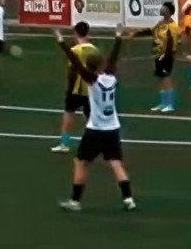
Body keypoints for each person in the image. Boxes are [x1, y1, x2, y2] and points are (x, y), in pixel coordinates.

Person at [54, 27, 136, 212]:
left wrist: (61, 42)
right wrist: (118, 37)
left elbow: (75, 62)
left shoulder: (92, 81)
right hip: (113, 128)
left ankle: (75, 201)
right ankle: (128, 198)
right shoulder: (111, 78)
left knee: (81, 162)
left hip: (95, 130)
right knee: (116, 163)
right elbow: (114, 58)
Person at [53, 22, 100, 151]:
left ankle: (64, 144)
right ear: (88, 33)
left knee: (68, 115)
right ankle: (94, 144)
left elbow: (72, 69)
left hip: (74, 89)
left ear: (75, 33)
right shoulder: (95, 51)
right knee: (91, 119)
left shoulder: (74, 50)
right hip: (90, 89)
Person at [150, 1, 181, 112]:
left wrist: (166, 56)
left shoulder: (173, 26)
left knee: (167, 78)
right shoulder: (160, 23)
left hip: (167, 56)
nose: (162, 9)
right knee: (161, 79)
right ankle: (163, 103)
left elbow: (172, 43)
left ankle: (170, 104)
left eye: (164, 8)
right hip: (159, 55)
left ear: (169, 11)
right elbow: (152, 32)